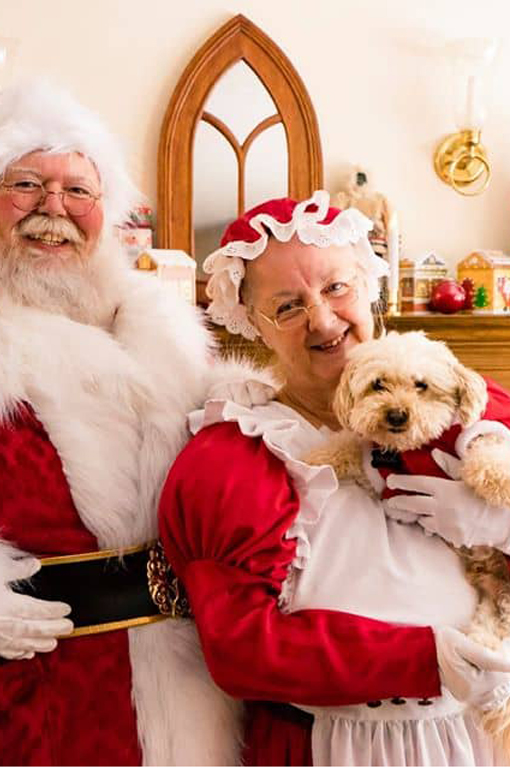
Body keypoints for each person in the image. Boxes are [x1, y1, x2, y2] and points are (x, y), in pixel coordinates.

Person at [0, 81, 276, 765]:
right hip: (5, 700)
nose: (54, 208)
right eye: (25, 185)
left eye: (78, 190)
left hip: (175, 690)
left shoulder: (163, 329)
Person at [158, 192, 510, 766]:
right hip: (337, 745)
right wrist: (425, 658)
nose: (322, 321)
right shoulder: (232, 456)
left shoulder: (473, 406)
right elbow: (241, 649)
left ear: (370, 288)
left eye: (336, 288)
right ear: (253, 325)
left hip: (481, 735)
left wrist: (502, 527)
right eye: (287, 307)